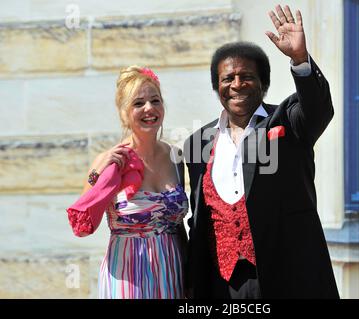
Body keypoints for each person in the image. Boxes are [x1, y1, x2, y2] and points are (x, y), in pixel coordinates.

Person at [184, 5, 339, 299]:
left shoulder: (288, 123)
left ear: (263, 84)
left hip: (287, 277)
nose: (237, 84)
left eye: (247, 77)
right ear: (217, 87)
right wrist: (192, 281)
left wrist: (299, 60)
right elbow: (198, 220)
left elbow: (318, 110)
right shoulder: (197, 143)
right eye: (227, 79)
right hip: (222, 284)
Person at [67, 66, 188, 299]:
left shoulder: (176, 156)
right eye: (138, 103)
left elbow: (179, 226)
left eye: (155, 100)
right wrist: (96, 173)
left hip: (171, 273)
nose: (149, 109)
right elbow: (81, 224)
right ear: (124, 112)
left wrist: (190, 279)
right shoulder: (111, 161)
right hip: (126, 276)